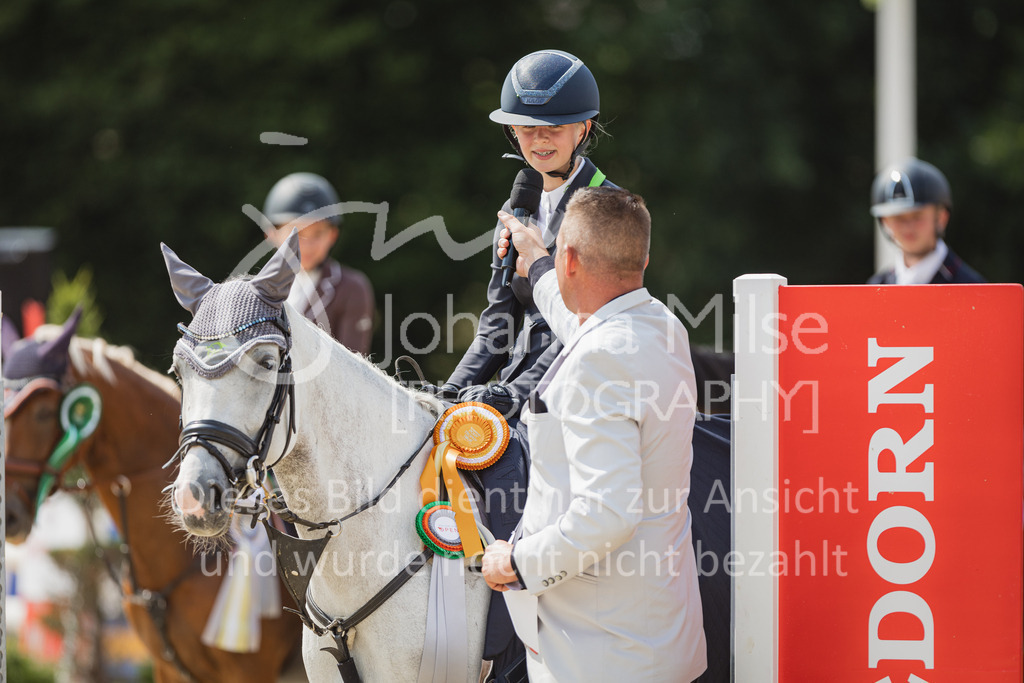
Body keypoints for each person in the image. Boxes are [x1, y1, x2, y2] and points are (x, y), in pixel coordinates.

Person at [482, 186, 708, 682]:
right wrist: (539, 265)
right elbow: (585, 324)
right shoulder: (662, 327)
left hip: (600, 656)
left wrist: (516, 562)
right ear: (644, 256)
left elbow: (607, 514)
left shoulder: (599, 359)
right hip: (651, 637)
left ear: (572, 257)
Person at [432, 48, 618, 415]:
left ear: (583, 129)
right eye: (527, 128)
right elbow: (498, 322)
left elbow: (585, 323)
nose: (539, 140)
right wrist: (451, 391)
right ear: (512, 131)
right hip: (519, 388)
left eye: (554, 128)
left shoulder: (608, 208)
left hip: (582, 393)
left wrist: (515, 394)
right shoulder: (518, 209)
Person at [262, 172, 375, 353]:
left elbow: (353, 365)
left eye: (318, 233)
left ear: (333, 235)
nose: (307, 245)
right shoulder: (255, 290)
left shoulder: (352, 288)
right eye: (296, 233)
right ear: (271, 234)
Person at [868, 157, 986, 284]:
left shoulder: (971, 287)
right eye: (898, 217)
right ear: (885, 222)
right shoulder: (876, 287)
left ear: (941, 217)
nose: (908, 226)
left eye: (917, 216)